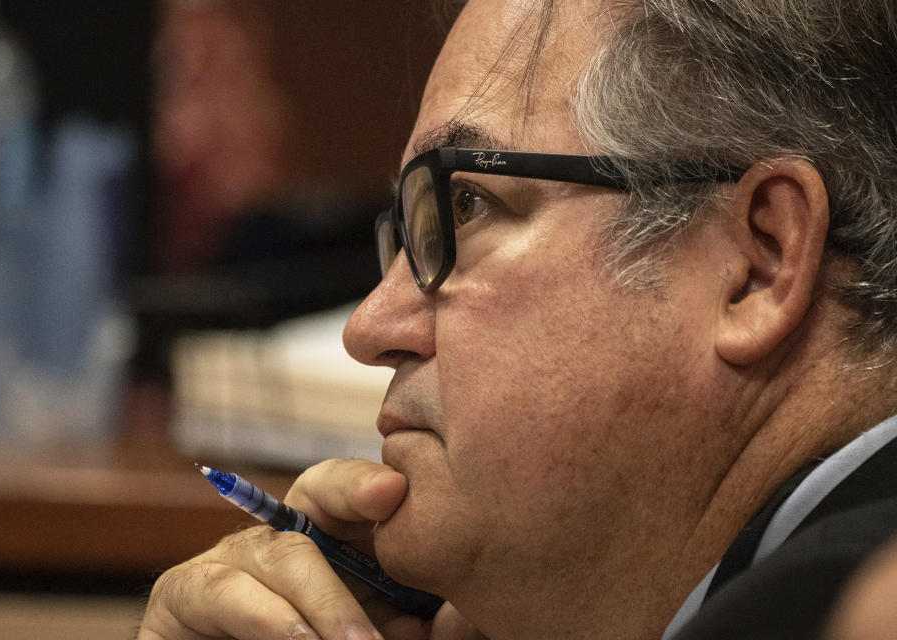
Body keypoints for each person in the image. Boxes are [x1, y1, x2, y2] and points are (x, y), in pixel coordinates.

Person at [137, 0, 897, 638]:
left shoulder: (843, 609)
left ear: (758, 261)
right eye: (403, 239)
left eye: (466, 206)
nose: (369, 327)